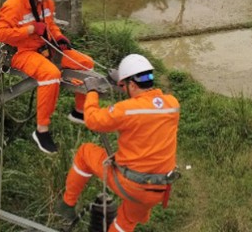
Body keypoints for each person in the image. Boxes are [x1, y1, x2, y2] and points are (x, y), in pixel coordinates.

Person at [54, 54, 181, 231]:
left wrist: (91, 92)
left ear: (132, 85)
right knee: (126, 221)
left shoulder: (126, 110)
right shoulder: (172, 104)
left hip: (131, 184)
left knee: (85, 153)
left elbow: (92, 120)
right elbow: (144, 103)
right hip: (158, 189)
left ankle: (67, 205)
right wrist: (123, 82)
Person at [0, 0, 95, 155]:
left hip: (46, 48)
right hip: (22, 53)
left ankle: (79, 111)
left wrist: (59, 37)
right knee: (50, 74)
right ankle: (42, 130)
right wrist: (30, 29)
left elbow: (50, 25)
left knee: (85, 62)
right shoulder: (13, 5)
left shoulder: (47, 2)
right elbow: (1, 35)